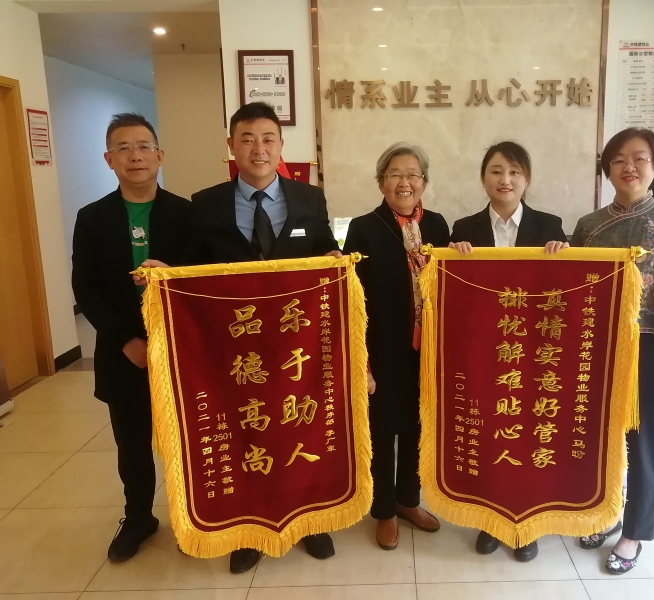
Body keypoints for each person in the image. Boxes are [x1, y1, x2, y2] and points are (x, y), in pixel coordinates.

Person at [139, 102, 341, 574]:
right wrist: (167, 275)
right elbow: (191, 267)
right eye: (247, 139)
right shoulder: (206, 202)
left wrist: (336, 258)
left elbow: (324, 250)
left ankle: (309, 521)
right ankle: (251, 530)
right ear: (231, 146)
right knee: (248, 432)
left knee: (299, 427)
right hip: (236, 349)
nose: (258, 148)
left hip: (294, 347)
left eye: (268, 138)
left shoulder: (309, 199)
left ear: (281, 145)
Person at [545, 127, 654, 574]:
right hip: (597, 348)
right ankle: (605, 513)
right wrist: (559, 255)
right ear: (608, 169)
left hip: (652, 349)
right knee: (600, 439)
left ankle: (634, 532)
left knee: (644, 444)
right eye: (618, 159)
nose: (629, 167)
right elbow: (571, 289)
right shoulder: (589, 225)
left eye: (639, 158)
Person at [72, 113, 192, 563]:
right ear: (109, 159)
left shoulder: (187, 214)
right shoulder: (92, 218)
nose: (135, 156)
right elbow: (86, 289)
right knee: (132, 441)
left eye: (143, 146)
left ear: (160, 155)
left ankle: (190, 518)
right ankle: (139, 517)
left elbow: (202, 277)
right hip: (123, 352)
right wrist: (127, 341)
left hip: (181, 349)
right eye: (123, 148)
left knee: (184, 439)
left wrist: (172, 278)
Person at [449, 140, 567, 562]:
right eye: (496, 171)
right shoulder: (463, 229)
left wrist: (565, 258)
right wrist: (453, 259)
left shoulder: (550, 226)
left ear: (526, 178)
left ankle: (526, 524)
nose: (505, 179)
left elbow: (566, 293)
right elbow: (451, 294)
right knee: (489, 434)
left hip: (533, 354)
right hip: (484, 353)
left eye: (514, 171)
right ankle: (490, 520)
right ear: (484, 178)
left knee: (528, 436)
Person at [343, 143, 448, 551]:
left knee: (419, 425)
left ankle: (408, 500)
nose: (405, 182)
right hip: (382, 348)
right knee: (383, 429)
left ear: (424, 182)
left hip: (426, 350)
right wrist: (362, 360)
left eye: (413, 174)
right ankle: (384, 509)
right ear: (381, 182)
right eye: (395, 174)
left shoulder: (437, 225)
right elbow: (353, 298)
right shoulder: (364, 228)